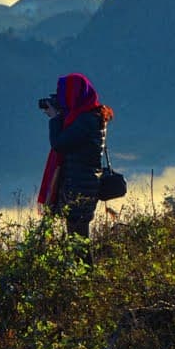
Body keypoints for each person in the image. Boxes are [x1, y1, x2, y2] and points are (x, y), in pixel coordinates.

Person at [37, 73, 114, 239]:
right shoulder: (86, 117)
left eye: (64, 94)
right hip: (81, 186)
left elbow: (59, 144)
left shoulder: (86, 121)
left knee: (78, 243)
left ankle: (86, 266)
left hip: (81, 188)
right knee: (76, 242)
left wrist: (55, 118)